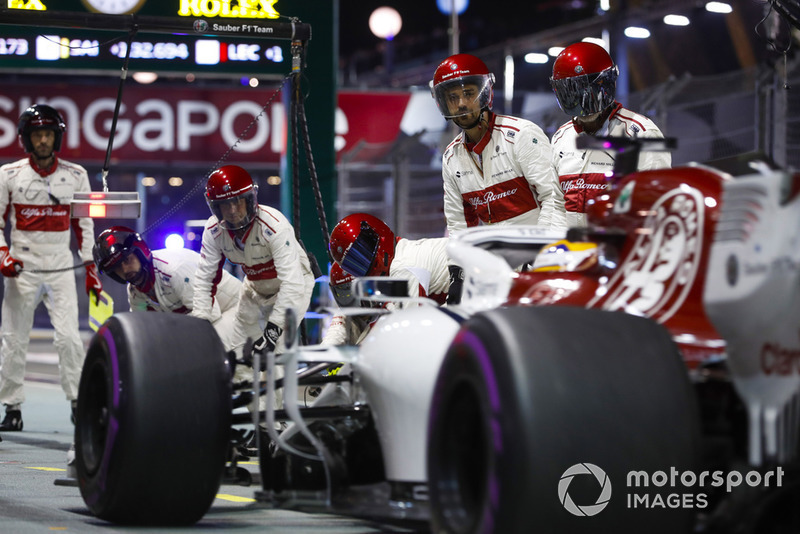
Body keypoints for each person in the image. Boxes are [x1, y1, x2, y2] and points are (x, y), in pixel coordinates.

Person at [0, 104, 102, 432]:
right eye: (36, 134)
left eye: (47, 134)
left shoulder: (76, 175)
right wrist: (3, 255)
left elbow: (85, 224)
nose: (42, 140)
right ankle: (12, 407)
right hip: (23, 265)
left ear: (56, 137)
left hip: (60, 264)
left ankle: (77, 402)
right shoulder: (8, 175)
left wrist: (89, 266)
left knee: (70, 338)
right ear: (27, 139)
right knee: (14, 339)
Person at [430, 53, 567, 236]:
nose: (461, 104)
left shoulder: (521, 134)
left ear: (485, 92)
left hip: (538, 254)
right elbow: (458, 224)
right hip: (496, 259)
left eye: (469, 94)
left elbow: (554, 199)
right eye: (453, 98)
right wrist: (457, 263)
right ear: (443, 103)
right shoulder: (451, 157)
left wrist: (541, 251)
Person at [192, 164, 315, 362]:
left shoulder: (275, 226)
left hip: (294, 285)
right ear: (216, 207)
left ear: (250, 200)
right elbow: (205, 280)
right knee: (240, 352)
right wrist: (199, 323)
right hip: (254, 286)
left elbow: (292, 284)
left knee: (276, 358)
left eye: (238, 201)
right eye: (225, 204)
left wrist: (272, 332)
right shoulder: (213, 231)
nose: (233, 211)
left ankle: (280, 390)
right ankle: (245, 392)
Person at [550, 42, 671, 227]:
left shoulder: (642, 133)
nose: (582, 103)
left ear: (605, 84)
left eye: (587, 91)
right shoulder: (561, 138)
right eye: (572, 92)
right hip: (574, 250)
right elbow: (557, 206)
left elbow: (656, 204)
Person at [92, 226, 250, 351]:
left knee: (213, 348)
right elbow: (142, 330)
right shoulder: (135, 292)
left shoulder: (174, 270)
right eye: (118, 268)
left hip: (235, 308)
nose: (125, 270)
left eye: (127, 260)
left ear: (140, 251)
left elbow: (209, 315)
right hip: (208, 319)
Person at [328, 212, 451, 305]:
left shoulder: (402, 268)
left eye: (364, 249)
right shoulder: (402, 251)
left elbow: (410, 328)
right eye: (354, 264)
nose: (364, 263)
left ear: (376, 232)